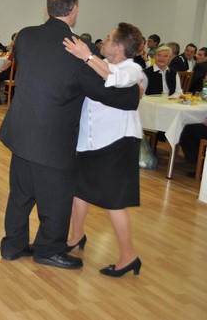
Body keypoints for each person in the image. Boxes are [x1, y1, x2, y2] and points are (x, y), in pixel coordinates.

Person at [0, 0, 140, 269]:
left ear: (47, 8)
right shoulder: (79, 49)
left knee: (21, 194)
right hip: (53, 136)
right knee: (56, 198)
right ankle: (48, 249)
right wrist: (133, 94)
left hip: (21, 129)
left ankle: (12, 245)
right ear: (73, 11)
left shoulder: (25, 35)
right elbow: (101, 90)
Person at [63, 23, 144, 277]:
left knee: (114, 202)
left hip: (117, 143)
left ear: (119, 47)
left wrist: (87, 56)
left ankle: (129, 256)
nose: (103, 42)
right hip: (90, 141)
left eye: (109, 39)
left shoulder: (133, 69)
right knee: (79, 192)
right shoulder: (100, 64)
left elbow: (116, 78)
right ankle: (75, 236)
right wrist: (88, 59)